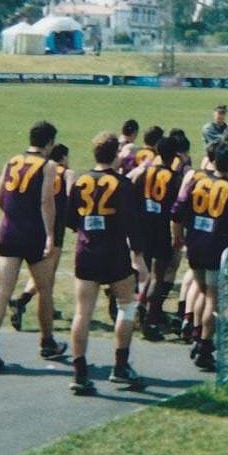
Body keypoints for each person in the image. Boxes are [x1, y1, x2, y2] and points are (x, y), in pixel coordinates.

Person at [0, 122, 66, 372]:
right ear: (49, 143)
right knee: (44, 288)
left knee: (3, 289)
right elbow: (46, 202)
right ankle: (47, 342)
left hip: (9, 231)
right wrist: (50, 235)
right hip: (34, 233)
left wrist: (14, 216)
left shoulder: (12, 161)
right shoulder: (48, 165)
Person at [67, 132, 149, 394]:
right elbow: (133, 225)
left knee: (82, 313)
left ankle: (79, 373)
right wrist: (139, 258)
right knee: (126, 306)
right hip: (114, 252)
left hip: (87, 250)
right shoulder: (123, 184)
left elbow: (70, 220)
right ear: (115, 155)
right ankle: (120, 366)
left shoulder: (81, 181)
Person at [172, 142, 228, 370]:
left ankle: (197, 335)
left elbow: (177, 213)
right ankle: (205, 345)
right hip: (216, 247)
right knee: (213, 298)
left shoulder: (197, 181)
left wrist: (178, 237)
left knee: (201, 290)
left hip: (195, 243)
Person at [10, 143, 73, 331]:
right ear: (63, 157)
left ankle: (49, 308)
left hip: (40, 220)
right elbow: (70, 197)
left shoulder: (44, 169)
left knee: (44, 268)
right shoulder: (66, 173)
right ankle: (22, 300)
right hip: (56, 221)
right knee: (48, 270)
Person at [128, 135, 183, 341]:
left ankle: (139, 304)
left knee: (143, 273)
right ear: (174, 156)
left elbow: (133, 198)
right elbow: (176, 210)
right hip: (161, 229)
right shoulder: (174, 178)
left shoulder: (143, 173)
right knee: (158, 276)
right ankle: (150, 321)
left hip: (143, 228)